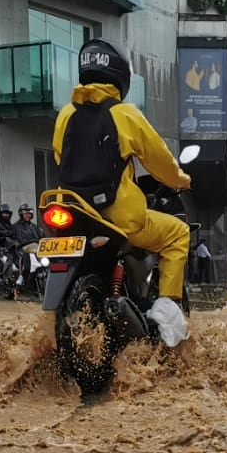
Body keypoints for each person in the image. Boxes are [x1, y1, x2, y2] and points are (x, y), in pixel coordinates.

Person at [53, 38, 192, 347]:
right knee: (178, 234)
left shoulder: (65, 115)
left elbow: (61, 158)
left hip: (75, 214)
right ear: (120, 77)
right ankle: (168, 312)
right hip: (120, 217)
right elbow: (160, 161)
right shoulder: (124, 114)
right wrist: (181, 179)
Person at [13, 202, 43, 285]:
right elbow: (11, 239)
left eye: (29, 214)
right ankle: (22, 277)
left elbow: (42, 237)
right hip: (23, 250)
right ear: (21, 214)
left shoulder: (35, 227)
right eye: (25, 214)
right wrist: (16, 243)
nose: (28, 215)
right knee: (27, 263)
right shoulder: (15, 227)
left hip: (36, 250)